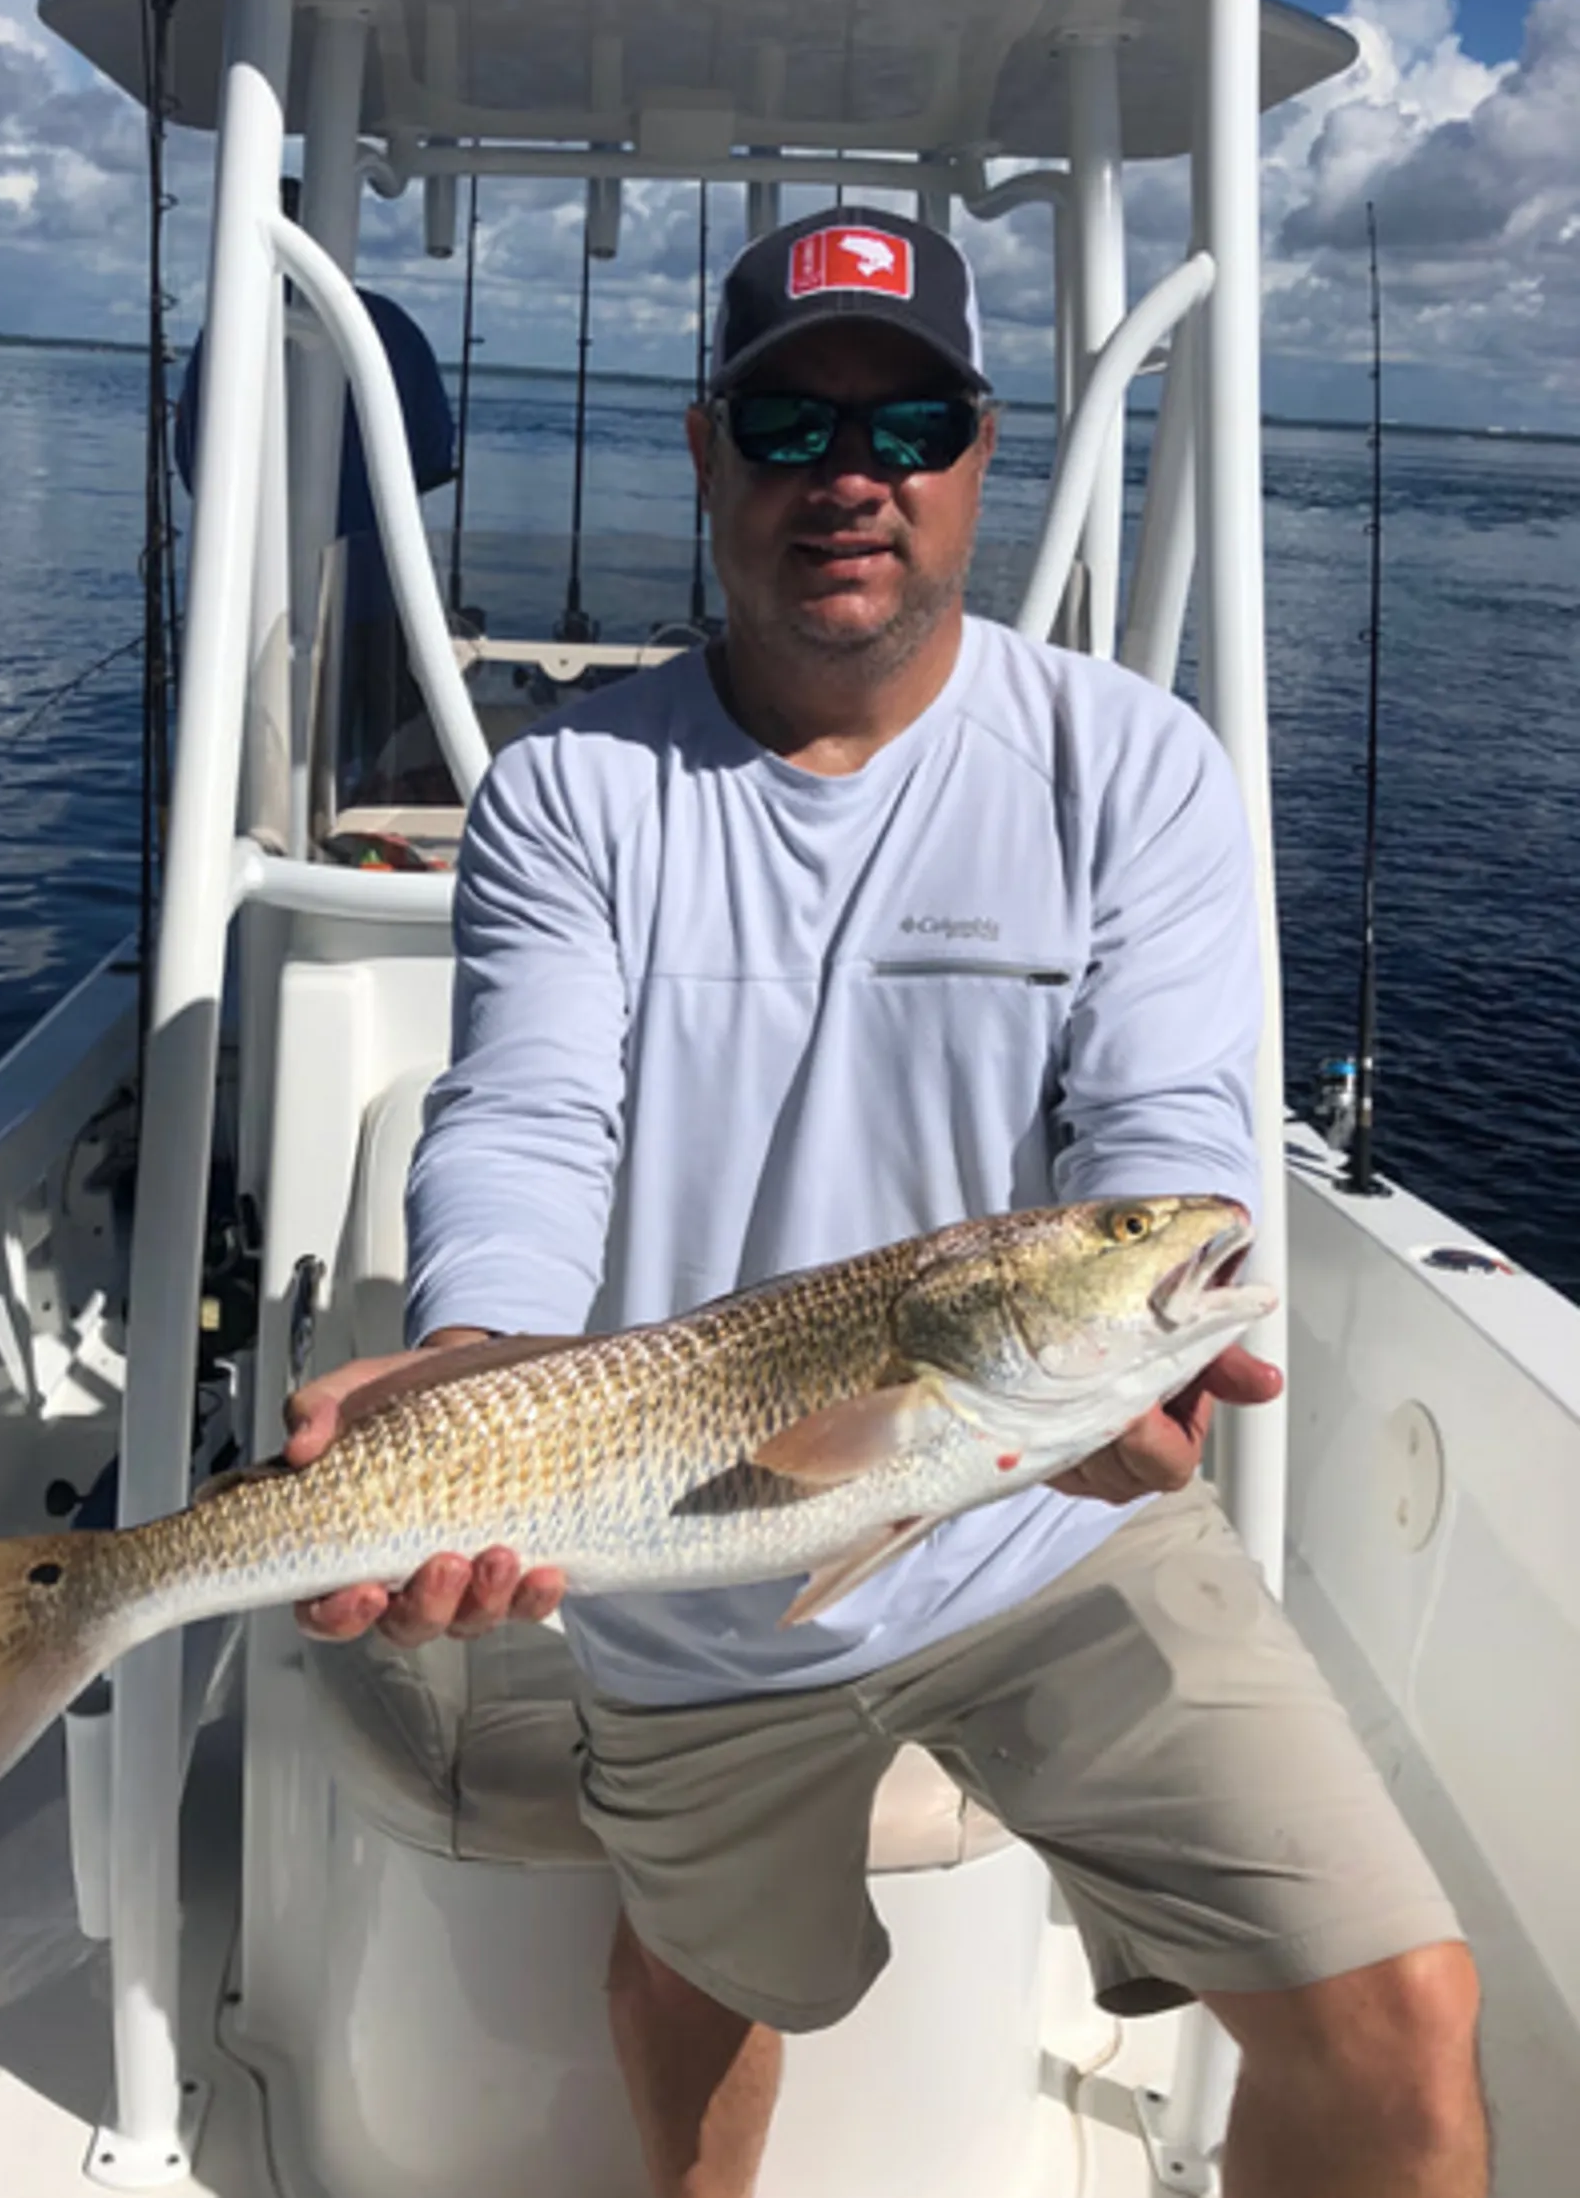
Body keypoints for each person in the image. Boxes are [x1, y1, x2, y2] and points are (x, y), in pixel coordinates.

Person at [284, 208, 1486, 2197]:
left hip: (1043, 1526)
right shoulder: (576, 788)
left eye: (908, 418)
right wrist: (479, 1353)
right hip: (677, 1526)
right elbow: (526, 1110)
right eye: (789, 423)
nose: (852, 474)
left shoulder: (1130, 764)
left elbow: (1165, 1137)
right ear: (706, 451)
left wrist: (1133, 1372)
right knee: (698, 1973)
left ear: (979, 456)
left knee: (1408, 2017)